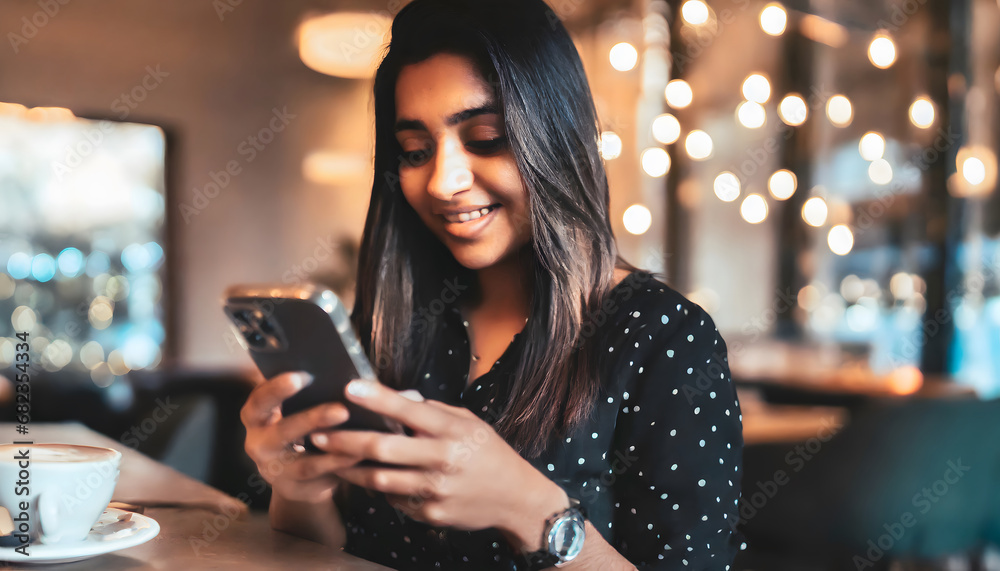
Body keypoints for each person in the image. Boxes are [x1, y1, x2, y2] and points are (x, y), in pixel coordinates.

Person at [240, 0, 744, 568]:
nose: (443, 181)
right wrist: (298, 487)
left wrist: (529, 509)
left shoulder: (665, 338)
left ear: (556, 135)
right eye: (415, 151)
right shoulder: (400, 316)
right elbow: (328, 552)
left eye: (484, 137)